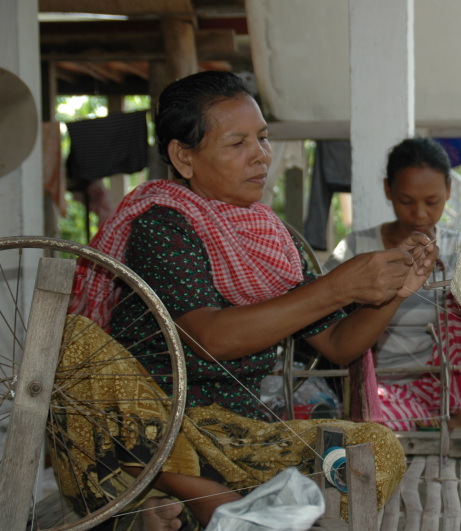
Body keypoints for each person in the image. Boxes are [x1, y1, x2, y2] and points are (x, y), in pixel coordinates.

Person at [58, 71, 438, 530]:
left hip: (236, 438)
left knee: (377, 447)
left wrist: (395, 294)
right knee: (75, 343)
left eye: (261, 138)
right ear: (184, 157)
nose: (259, 155)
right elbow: (208, 339)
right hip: (147, 439)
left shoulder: (273, 241)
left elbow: (339, 343)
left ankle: (196, 503)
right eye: (237, 144)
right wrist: (337, 287)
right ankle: (205, 498)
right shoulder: (161, 226)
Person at [324, 137, 461, 446]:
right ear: (388, 190)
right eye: (406, 201)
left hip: (449, 385)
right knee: (370, 431)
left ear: (448, 191)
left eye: (432, 202)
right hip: (378, 386)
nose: (420, 214)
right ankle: (438, 417)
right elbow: (325, 317)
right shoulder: (358, 249)